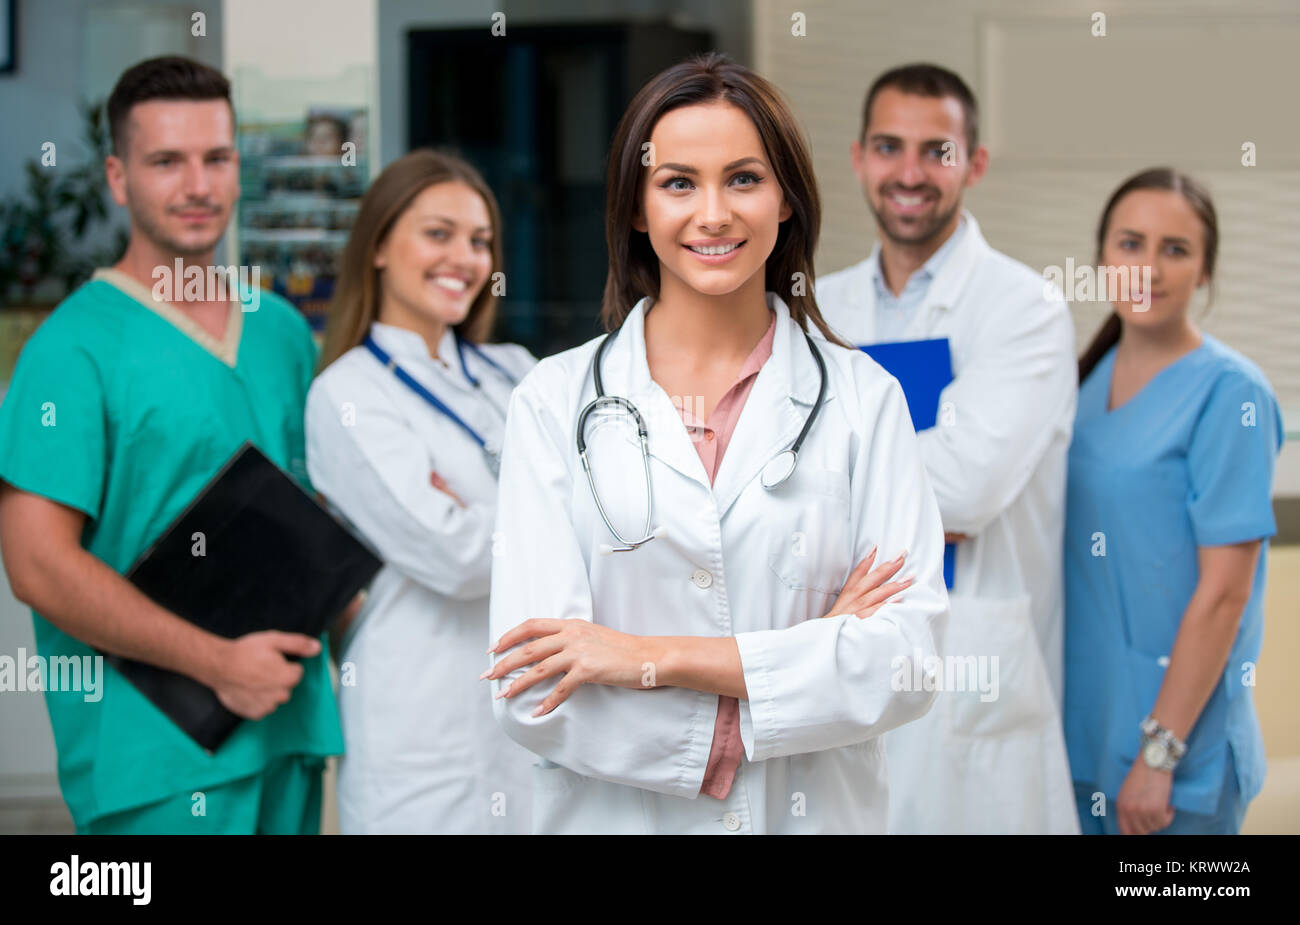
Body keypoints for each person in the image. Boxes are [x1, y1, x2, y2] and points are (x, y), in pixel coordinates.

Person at [482, 53, 948, 835]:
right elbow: (532, 686)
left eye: (743, 178)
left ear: (787, 200)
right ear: (636, 207)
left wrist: (634, 655)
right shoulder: (553, 403)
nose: (713, 213)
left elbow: (906, 660)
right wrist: (805, 657)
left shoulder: (865, 400)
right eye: (677, 183)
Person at [0, 56, 343, 834]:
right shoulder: (72, 350)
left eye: (216, 158)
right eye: (167, 162)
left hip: (288, 730)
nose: (198, 185)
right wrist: (219, 665)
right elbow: (36, 563)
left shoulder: (281, 329)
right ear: (119, 178)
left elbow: (299, 504)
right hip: (154, 759)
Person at [817, 63, 1079, 834]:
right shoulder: (817, 307)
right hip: (841, 662)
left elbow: (964, 491)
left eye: (937, 150)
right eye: (889, 147)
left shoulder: (1023, 307)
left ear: (976, 163)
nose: (909, 173)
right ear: (859, 156)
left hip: (974, 658)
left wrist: (821, 477)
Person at [305, 150, 538, 834]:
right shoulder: (347, 394)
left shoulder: (512, 370)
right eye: (439, 233)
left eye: (479, 239)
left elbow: (602, 508)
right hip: (415, 725)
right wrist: (543, 510)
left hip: (525, 720)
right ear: (378, 245)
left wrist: (476, 511)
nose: (463, 257)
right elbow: (457, 556)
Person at [1066, 168, 1283, 835]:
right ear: (1102, 257)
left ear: (1205, 271)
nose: (1148, 267)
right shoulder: (1081, 380)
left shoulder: (1230, 394)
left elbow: (1224, 595)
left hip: (1174, 757)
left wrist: (1159, 756)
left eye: (1176, 249)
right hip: (1089, 730)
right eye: (1131, 243)